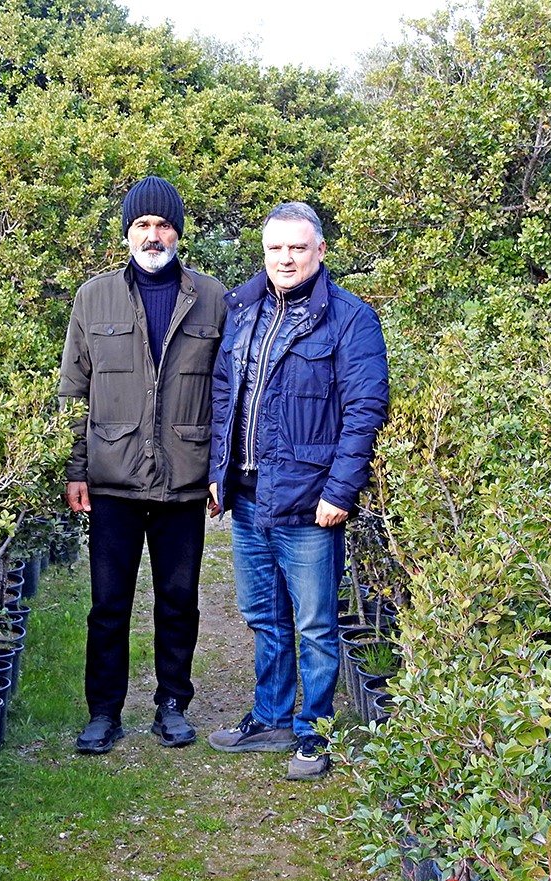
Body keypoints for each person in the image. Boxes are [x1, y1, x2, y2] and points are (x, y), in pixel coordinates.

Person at [206, 201, 389, 780]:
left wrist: (341, 489)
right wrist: (218, 473)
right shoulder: (242, 309)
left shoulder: (351, 319)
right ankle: (270, 717)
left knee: (313, 623)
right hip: (249, 496)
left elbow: (365, 409)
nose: (285, 259)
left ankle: (314, 732)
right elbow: (223, 400)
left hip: (312, 502)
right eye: (275, 248)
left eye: (297, 248)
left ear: (320, 251)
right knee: (263, 614)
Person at [60, 175, 227, 754]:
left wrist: (218, 469)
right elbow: (73, 393)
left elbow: (226, 390)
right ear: (127, 232)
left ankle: (172, 704)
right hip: (112, 480)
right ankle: (104, 713)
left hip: (184, 479)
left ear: (179, 231)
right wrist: (75, 468)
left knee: (178, 600)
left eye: (162, 225)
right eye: (141, 226)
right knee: (108, 603)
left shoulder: (212, 297)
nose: (152, 236)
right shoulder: (93, 297)